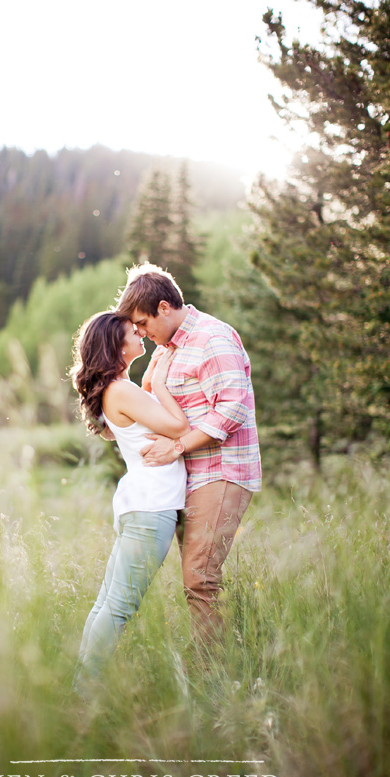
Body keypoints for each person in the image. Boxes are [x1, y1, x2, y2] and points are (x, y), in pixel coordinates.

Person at [116, 263, 261, 649]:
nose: (142, 333)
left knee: (199, 576)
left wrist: (178, 446)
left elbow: (232, 409)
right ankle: (226, 657)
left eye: (143, 322)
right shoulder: (169, 349)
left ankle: (213, 673)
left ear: (165, 307)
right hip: (192, 477)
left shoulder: (211, 338)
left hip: (222, 470)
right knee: (199, 577)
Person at [70, 310, 189, 689]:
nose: (140, 333)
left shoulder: (118, 390)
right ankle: (85, 693)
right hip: (150, 509)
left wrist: (149, 386)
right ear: (114, 345)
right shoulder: (122, 390)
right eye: (131, 331)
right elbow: (178, 426)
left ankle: (81, 686)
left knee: (108, 603)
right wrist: (161, 384)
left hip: (139, 506)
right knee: (119, 608)